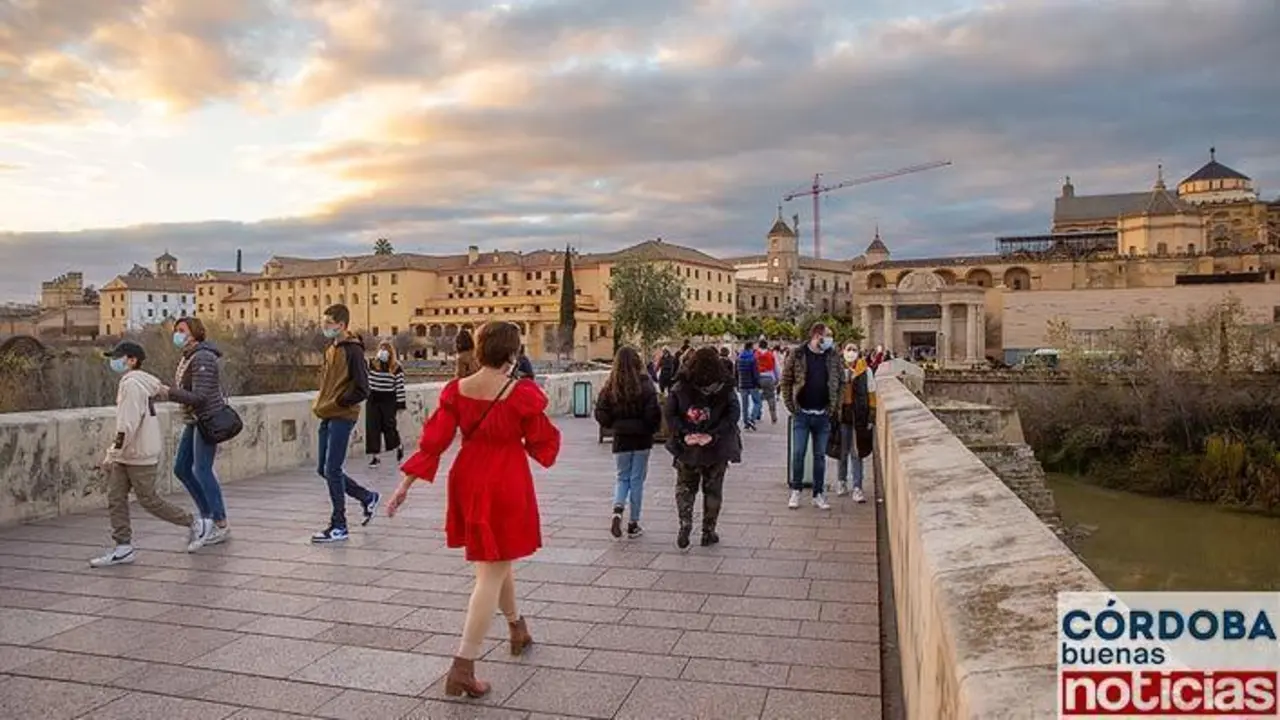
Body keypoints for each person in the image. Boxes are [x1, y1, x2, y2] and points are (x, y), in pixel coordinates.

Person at [388, 321, 561, 699]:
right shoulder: (521, 393)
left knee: (496, 561)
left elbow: (433, 441)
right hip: (505, 480)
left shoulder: (457, 390)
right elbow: (542, 444)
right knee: (489, 574)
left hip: (467, 476)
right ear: (512, 354)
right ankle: (462, 667)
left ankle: (517, 627)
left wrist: (404, 485)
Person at [90, 342, 206, 566]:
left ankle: (193, 522)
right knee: (116, 498)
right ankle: (123, 547)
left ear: (132, 360)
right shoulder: (144, 381)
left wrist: (112, 453)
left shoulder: (132, 385)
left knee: (149, 500)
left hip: (137, 453)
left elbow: (127, 425)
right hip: (130, 453)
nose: (114, 361)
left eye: (119, 357)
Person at [311, 304, 380, 543]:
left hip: (342, 415)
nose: (325, 327)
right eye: (325, 322)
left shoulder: (353, 350)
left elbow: (362, 387)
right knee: (324, 469)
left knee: (332, 469)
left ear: (342, 325)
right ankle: (367, 497)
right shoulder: (331, 349)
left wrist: (341, 401)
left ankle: (339, 525)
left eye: (329, 323)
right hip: (327, 413)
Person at [162, 316, 230, 547]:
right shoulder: (189, 357)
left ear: (194, 332)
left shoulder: (203, 357)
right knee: (182, 468)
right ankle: (207, 515)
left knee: (202, 470)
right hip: (194, 420)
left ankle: (219, 523)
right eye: (176, 330)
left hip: (206, 419)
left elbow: (200, 397)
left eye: (181, 330)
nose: (177, 334)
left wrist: (168, 392)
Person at [665, 347, 741, 550]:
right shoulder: (725, 387)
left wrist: (685, 434)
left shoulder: (680, 386)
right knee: (713, 490)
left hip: (687, 447)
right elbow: (733, 415)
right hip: (715, 448)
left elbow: (670, 414)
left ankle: (685, 522)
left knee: (685, 487)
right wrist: (712, 434)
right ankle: (708, 531)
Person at [595, 346, 662, 539]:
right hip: (641, 440)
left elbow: (601, 412)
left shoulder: (611, 386)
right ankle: (633, 523)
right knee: (637, 480)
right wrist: (651, 428)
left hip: (621, 439)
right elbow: (653, 414)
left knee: (622, 477)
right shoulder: (646, 384)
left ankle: (617, 509)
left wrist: (614, 424)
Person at [779, 322, 842, 511]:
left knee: (819, 456)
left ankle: (818, 493)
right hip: (802, 414)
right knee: (798, 453)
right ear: (817, 336)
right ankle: (796, 491)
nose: (830, 340)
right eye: (827, 335)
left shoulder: (832, 356)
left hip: (823, 414)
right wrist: (791, 406)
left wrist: (834, 408)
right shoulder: (798, 353)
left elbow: (840, 382)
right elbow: (786, 380)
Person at [837, 345, 876, 502]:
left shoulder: (866, 371)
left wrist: (871, 417)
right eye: (849, 349)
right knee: (842, 451)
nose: (851, 353)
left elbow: (872, 395)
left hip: (858, 416)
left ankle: (857, 487)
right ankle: (841, 481)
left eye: (854, 350)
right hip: (842, 416)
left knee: (856, 452)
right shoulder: (838, 370)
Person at [366, 340, 407, 468]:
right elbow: (366, 380)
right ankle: (375, 457)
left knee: (389, 427)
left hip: (388, 400)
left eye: (386, 349)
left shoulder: (396, 367)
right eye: (381, 348)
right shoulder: (372, 364)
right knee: (372, 428)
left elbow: (399, 386)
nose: (383, 351)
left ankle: (398, 445)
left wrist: (400, 404)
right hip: (373, 399)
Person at [735, 341, 762, 431]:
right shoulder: (753, 358)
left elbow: (736, 373)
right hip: (752, 384)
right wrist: (758, 383)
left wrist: (737, 384)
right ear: (751, 347)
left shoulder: (738, 358)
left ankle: (746, 422)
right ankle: (752, 418)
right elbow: (755, 373)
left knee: (744, 405)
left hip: (742, 384)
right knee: (757, 402)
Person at [755, 339, 780, 424]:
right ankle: (773, 416)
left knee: (758, 398)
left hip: (758, 377)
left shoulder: (755, 355)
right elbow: (776, 368)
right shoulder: (771, 355)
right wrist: (777, 379)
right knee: (771, 397)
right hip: (769, 377)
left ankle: (757, 414)